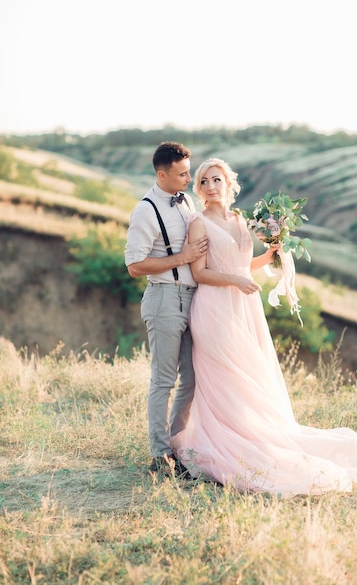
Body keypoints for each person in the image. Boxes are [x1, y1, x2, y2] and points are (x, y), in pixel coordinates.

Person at [171, 158, 357, 496]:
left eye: (216, 180)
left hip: (244, 305)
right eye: (203, 182)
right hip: (214, 308)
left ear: (229, 184)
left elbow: (243, 265)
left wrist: (272, 254)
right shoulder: (198, 224)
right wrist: (236, 280)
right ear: (199, 189)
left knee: (251, 374)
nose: (210, 186)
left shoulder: (239, 220)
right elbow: (200, 272)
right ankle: (227, 443)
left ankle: (254, 433)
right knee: (227, 376)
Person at [125, 141, 208, 476]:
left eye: (189, 171)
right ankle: (159, 456)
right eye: (182, 174)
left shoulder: (186, 200)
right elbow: (134, 265)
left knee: (192, 377)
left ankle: (177, 446)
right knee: (164, 380)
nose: (189, 179)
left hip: (194, 300)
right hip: (164, 299)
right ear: (162, 174)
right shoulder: (145, 210)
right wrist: (182, 259)